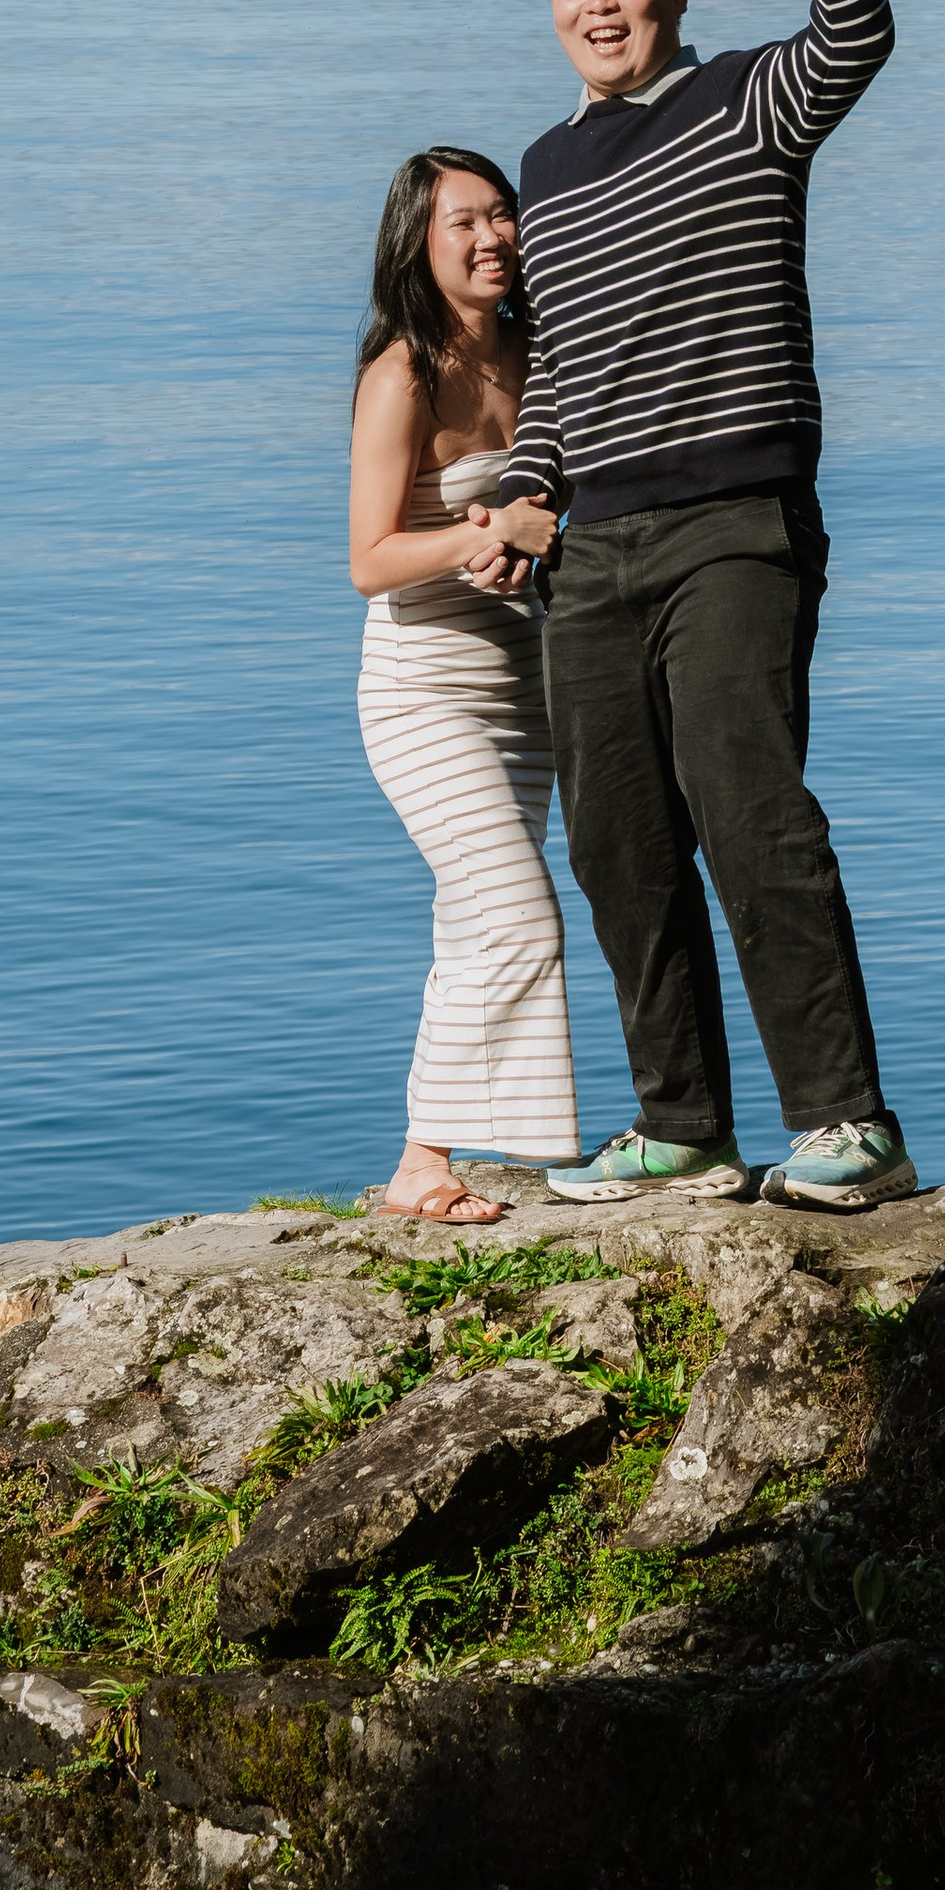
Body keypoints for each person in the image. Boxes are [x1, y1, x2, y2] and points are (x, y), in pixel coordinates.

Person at [464, 0, 915, 1212]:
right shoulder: (546, 169)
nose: (599, 2)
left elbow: (855, 35)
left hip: (734, 523)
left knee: (750, 813)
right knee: (618, 844)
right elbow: (560, 367)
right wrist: (525, 487)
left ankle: (848, 1125)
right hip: (590, 550)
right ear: (550, 7)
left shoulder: (745, 103)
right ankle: (684, 1129)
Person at [349, 145, 579, 1224]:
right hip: (423, 688)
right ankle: (448, 1151)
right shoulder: (402, 373)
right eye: (463, 222)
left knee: (473, 919)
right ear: (418, 243)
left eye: (502, 214)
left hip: (523, 684)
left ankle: (421, 1162)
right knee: (518, 914)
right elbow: (370, 560)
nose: (492, 238)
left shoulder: (542, 349)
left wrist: (534, 538)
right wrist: (485, 534)